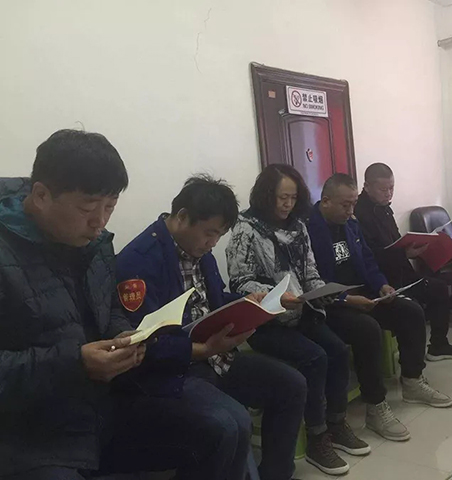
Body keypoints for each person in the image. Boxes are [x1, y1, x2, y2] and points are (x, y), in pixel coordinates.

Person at [0, 130, 251, 480]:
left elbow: (110, 310)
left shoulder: (95, 245)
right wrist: (76, 364)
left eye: (110, 207)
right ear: (41, 195)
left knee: (220, 430)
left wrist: (126, 335)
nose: (100, 222)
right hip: (33, 431)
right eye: (88, 208)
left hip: (104, 407)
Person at [116, 174, 307, 480]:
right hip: (174, 371)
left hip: (216, 356)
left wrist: (254, 302)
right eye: (209, 233)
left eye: (219, 235)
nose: (213, 243)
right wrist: (201, 350)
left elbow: (213, 300)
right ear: (182, 217)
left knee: (291, 385)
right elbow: (142, 342)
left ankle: (276, 473)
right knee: (231, 423)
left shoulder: (199, 251)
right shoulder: (138, 262)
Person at [226, 164, 370, 476]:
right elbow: (239, 282)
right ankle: (317, 437)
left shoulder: (298, 227)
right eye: (282, 197)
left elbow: (309, 271)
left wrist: (320, 292)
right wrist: (275, 296)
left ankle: (336, 423)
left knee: (337, 350)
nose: (288, 204)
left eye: (293, 198)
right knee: (315, 357)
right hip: (265, 320)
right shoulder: (245, 229)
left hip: (301, 311)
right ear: (266, 195)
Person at [306, 173, 452, 443]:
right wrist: (346, 299)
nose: (351, 210)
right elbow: (311, 281)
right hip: (330, 305)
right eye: (345, 205)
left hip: (363, 294)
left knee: (411, 311)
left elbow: (368, 261)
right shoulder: (308, 229)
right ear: (325, 201)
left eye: (353, 204)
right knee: (368, 329)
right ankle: (375, 406)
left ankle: (412, 381)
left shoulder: (351, 224)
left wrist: (382, 285)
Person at [353, 163, 452, 361]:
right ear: (367, 186)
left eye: (392, 188)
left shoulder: (384, 209)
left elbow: (396, 242)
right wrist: (404, 253)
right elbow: (368, 255)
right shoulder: (359, 214)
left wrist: (412, 248)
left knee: (439, 288)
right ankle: (411, 360)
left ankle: (438, 345)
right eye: (383, 189)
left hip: (401, 270)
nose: (389, 194)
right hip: (381, 279)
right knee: (414, 306)